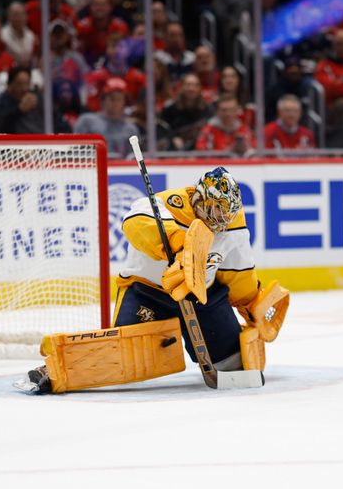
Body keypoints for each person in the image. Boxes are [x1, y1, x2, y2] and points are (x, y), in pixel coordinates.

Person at [18, 167, 289, 393]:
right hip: (147, 293)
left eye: (227, 212)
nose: (222, 219)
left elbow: (237, 273)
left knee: (235, 364)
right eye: (216, 210)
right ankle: (54, 370)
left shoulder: (233, 223)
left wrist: (252, 302)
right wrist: (178, 242)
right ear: (201, 198)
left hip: (202, 298)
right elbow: (134, 221)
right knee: (120, 357)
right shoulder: (169, 205)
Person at [73, 77, 139, 159]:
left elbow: (132, 159)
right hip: (93, 169)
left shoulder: (130, 129)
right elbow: (76, 152)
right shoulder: (87, 122)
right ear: (103, 100)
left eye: (119, 99)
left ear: (124, 102)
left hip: (121, 170)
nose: (116, 103)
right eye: (112, 98)